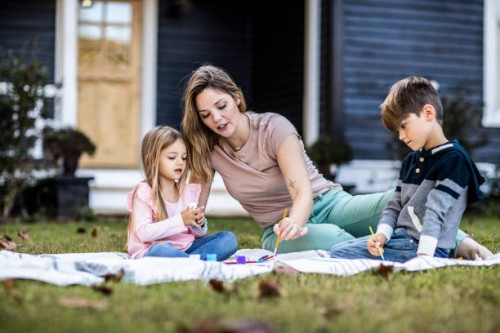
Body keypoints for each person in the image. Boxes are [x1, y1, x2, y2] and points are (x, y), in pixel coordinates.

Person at [181, 64, 492, 259]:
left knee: (392, 202)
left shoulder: (274, 128)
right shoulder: (207, 149)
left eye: (221, 106)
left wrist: (297, 220)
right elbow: (196, 209)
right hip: (278, 230)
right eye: (206, 115)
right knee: (336, 241)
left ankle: (455, 241)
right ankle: (393, 248)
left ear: (236, 98)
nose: (217, 119)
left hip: (328, 202)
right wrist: (194, 218)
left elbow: (302, 192)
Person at [330, 76, 492, 262]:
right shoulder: (410, 161)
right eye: (398, 131)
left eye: (404, 126)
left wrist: (424, 259)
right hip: (402, 240)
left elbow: (436, 211)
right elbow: (394, 205)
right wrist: (382, 236)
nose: (401, 136)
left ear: (428, 113)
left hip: (427, 248)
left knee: (340, 254)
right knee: (339, 249)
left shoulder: (454, 160)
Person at [126, 126, 238, 261]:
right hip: (154, 249)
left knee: (228, 239)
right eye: (172, 157)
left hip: (187, 248)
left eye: (184, 158)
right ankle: (196, 261)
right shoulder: (144, 192)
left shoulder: (187, 191)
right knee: (161, 250)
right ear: (153, 159)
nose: (180, 162)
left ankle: (187, 261)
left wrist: (198, 224)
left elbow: (197, 235)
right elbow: (144, 233)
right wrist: (181, 220)